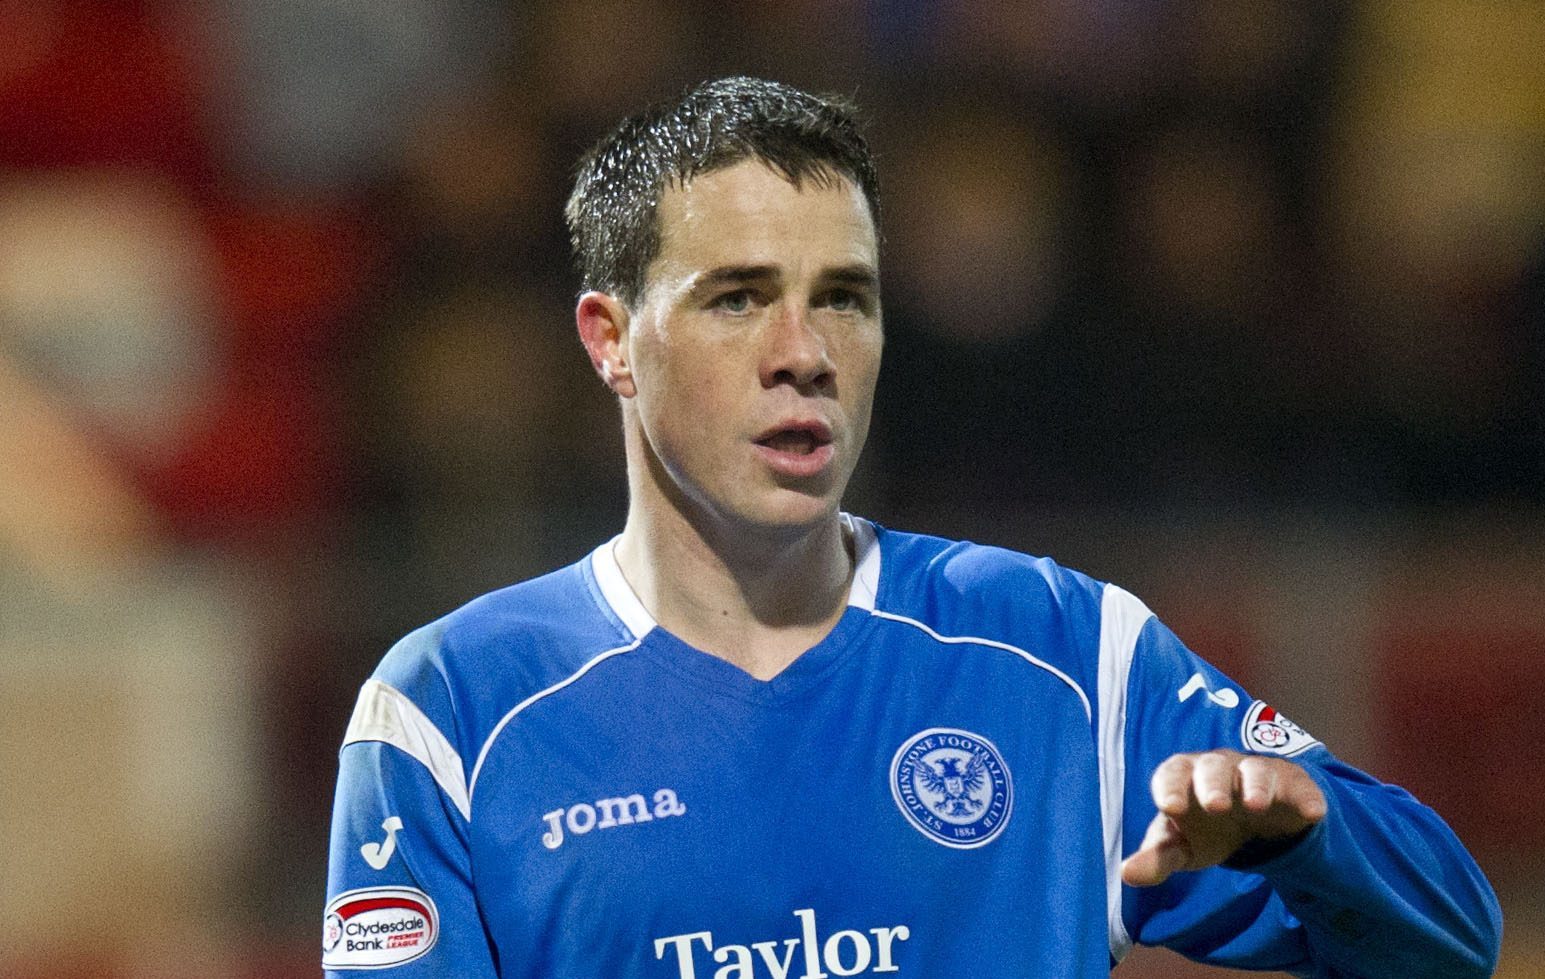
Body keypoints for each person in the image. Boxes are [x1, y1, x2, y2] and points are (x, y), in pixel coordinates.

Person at [323, 77, 1501, 978]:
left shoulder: (1058, 651)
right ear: (610, 339)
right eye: (738, 298)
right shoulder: (449, 714)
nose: (804, 352)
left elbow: (1456, 938)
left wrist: (1313, 833)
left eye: (845, 296)